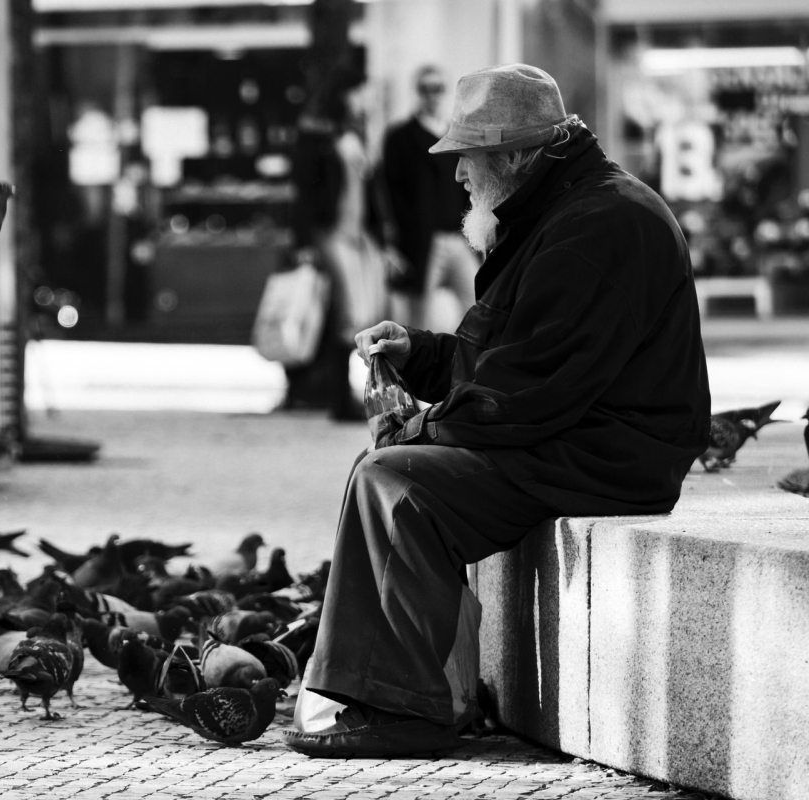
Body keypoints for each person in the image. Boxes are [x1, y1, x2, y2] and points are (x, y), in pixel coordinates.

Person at [283, 63, 711, 758]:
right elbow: (506, 357)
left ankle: (406, 708)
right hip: (579, 430)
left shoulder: (599, 223)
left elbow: (530, 389)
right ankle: (395, 687)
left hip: (610, 450)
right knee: (389, 468)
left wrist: (419, 425)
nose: (457, 177)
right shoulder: (559, 209)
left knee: (397, 482)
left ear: (513, 156)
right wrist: (418, 354)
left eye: (466, 159)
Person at [283, 75, 386, 421]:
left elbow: (368, 191)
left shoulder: (355, 135)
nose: (364, 102)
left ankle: (334, 393)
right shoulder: (318, 138)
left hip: (357, 236)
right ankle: (338, 398)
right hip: (330, 233)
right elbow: (305, 193)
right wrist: (303, 241)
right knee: (343, 312)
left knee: (355, 313)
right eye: (359, 95)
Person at [380, 64, 480, 332]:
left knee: (477, 303)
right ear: (417, 92)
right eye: (425, 89)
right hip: (422, 241)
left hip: (458, 237)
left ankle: (472, 368)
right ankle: (416, 371)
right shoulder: (400, 138)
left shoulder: (455, 135)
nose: (432, 95)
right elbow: (389, 192)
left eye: (438, 88)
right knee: (420, 319)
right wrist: (393, 242)